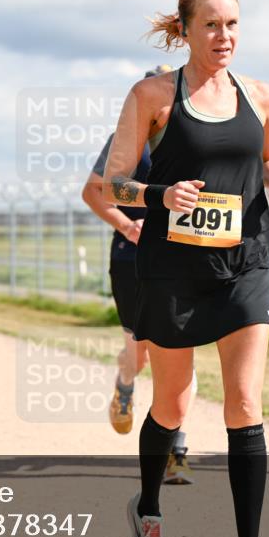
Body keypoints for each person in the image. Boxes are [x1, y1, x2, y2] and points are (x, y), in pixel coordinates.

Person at [102, 0, 269, 537]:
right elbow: (114, 185)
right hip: (172, 268)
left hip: (246, 260)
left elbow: (268, 160)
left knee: (243, 403)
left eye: (233, 25)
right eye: (212, 26)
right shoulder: (154, 95)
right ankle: (149, 510)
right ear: (184, 31)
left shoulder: (261, 95)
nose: (225, 37)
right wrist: (162, 195)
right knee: (174, 407)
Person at [82, 64, 195, 486]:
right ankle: (126, 383)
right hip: (132, 258)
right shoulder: (125, 139)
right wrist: (129, 226)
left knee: (182, 349)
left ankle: (177, 449)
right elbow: (92, 192)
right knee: (140, 351)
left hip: (184, 259)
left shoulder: (194, 136)